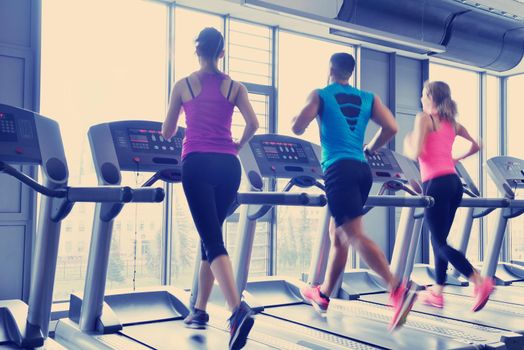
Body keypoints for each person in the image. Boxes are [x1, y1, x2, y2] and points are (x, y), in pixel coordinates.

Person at [291, 52, 418, 331]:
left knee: (354, 234)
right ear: (351, 72)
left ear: (330, 69)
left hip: (338, 169)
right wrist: (372, 148)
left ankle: (397, 289)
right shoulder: (368, 97)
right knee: (338, 236)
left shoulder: (321, 94)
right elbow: (392, 127)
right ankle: (323, 295)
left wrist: (298, 118)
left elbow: (298, 127)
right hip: (362, 170)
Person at [162, 27, 259, 350]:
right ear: (222, 53)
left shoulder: (183, 85)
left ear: (197, 51)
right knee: (211, 234)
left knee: (212, 238)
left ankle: (236, 311)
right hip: (229, 166)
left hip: (197, 164)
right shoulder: (235, 87)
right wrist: (236, 144)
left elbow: (167, 131)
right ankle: (199, 310)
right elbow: (253, 124)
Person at [403, 80, 494, 311]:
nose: (421, 98)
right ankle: (438, 292)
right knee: (439, 239)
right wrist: (455, 159)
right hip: (454, 184)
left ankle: (478, 280)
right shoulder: (452, 123)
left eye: (424, 94)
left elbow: (415, 153)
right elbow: (477, 145)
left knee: (439, 241)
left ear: (431, 97)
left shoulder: (424, 118)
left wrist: (407, 142)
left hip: (435, 183)